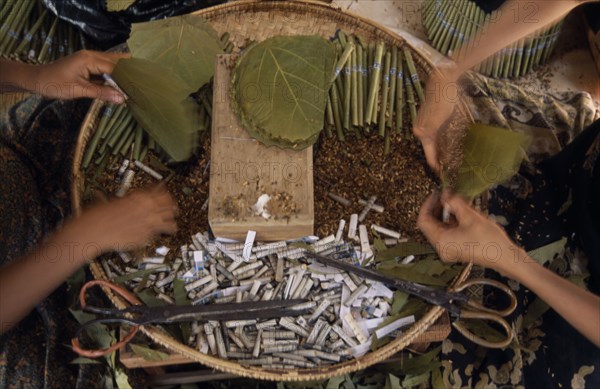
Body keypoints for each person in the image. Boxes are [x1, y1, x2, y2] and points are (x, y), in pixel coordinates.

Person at [0, 51, 177, 386]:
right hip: (22, 310)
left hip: (16, 170)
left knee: (110, 95)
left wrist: (33, 77)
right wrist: (85, 236)